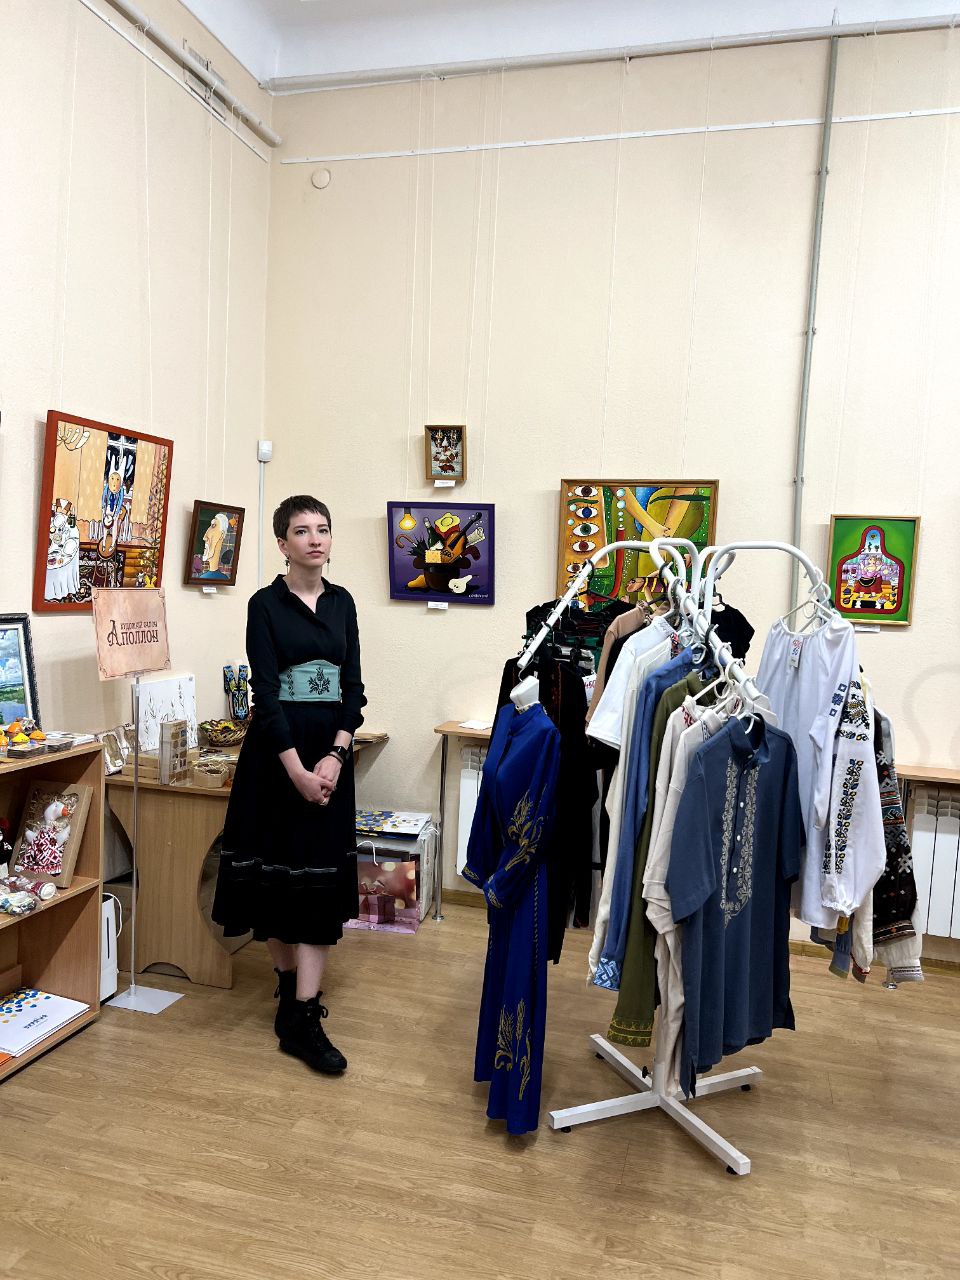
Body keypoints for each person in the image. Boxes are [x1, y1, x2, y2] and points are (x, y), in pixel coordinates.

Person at [212, 495, 366, 1074]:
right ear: (282, 543)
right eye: (302, 531)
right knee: (273, 878)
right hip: (276, 759)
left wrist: (336, 754)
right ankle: (287, 986)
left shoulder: (343, 603)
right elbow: (266, 694)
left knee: (319, 880)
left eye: (322, 529)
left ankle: (304, 1013)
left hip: (329, 756)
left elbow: (354, 688)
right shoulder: (264, 605)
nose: (315, 539)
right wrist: (297, 770)